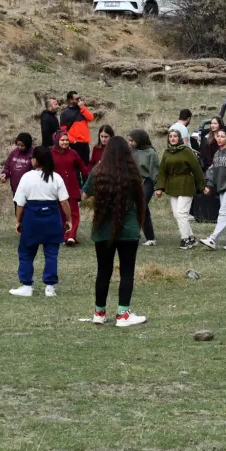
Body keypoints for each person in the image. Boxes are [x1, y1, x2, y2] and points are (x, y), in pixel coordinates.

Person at [82, 135, 147, 327]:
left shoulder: (98, 170)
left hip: (102, 230)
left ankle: (99, 313)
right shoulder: (132, 172)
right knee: (127, 271)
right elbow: (141, 197)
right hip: (128, 230)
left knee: (103, 271)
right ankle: (123, 314)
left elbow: (84, 194)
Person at [10, 146, 70, 298]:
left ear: (36, 160)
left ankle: (26, 285)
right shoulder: (56, 177)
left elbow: (20, 204)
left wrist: (18, 221)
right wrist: (68, 219)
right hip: (52, 217)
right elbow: (64, 202)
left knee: (26, 252)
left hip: (32, 218)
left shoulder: (27, 177)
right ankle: (50, 287)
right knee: (51, 254)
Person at [155, 128, 206, 250]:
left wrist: (202, 186)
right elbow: (162, 171)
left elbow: (196, 169)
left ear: (179, 138)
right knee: (177, 214)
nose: (172, 138)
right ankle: (191, 238)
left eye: (175, 136)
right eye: (170, 136)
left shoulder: (186, 151)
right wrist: (160, 188)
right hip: (172, 185)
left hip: (185, 184)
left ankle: (185, 239)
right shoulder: (167, 152)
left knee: (182, 213)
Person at [53, 130, 89, 246]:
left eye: (67, 140)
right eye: (62, 140)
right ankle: (65, 235)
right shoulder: (51, 153)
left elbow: (82, 166)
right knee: (62, 213)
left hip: (72, 187)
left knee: (74, 213)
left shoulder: (73, 153)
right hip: (57, 188)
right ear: (57, 141)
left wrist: (89, 178)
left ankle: (71, 236)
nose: (65, 142)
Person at [128, 129, 159, 246]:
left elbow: (155, 171)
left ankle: (135, 233)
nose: (130, 143)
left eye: (132, 140)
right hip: (134, 182)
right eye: (129, 141)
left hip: (147, 182)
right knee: (143, 209)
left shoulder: (151, 152)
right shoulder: (131, 151)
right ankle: (150, 237)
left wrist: (156, 187)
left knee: (140, 206)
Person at [190, 117, 222, 225]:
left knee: (215, 189)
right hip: (207, 166)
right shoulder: (207, 137)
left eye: (215, 123)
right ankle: (200, 212)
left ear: (219, 125)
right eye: (212, 123)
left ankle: (215, 213)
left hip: (218, 166)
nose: (213, 125)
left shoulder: (222, 137)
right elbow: (203, 152)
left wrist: (215, 164)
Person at [59, 91, 94, 163]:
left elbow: (91, 118)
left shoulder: (82, 109)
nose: (79, 100)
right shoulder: (64, 113)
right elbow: (63, 130)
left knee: (85, 165)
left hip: (84, 143)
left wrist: (83, 108)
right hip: (74, 144)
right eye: (76, 98)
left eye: (79, 98)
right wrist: (72, 141)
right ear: (70, 100)